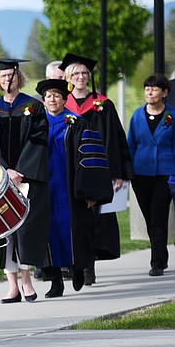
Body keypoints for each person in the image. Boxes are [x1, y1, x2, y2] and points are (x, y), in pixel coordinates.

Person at [36, 79, 113, 295]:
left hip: (71, 189)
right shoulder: (37, 124)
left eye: (57, 95)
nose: (53, 99)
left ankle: (78, 268)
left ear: (64, 99)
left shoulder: (77, 123)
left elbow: (90, 159)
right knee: (48, 232)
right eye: (49, 95)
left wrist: (89, 192)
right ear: (43, 100)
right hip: (45, 188)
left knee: (76, 230)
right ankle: (55, 280)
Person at [61, 52, 132, 285]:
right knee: (73, 219)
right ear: (69, 77)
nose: (81, 76)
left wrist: (118, 172)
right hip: (69, 171)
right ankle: (75, 264)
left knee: (93, 220)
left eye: (84, 73)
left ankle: (88, 265)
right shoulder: (63, 105)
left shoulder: (103, 105)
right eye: (76, 73)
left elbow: (116, 138)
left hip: (97, 171)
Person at [0, 58, 48, 303]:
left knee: (25, 228)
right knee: (4, 228)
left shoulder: (33, 106)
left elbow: (38, 141)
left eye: (10, 75)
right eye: (2, 76)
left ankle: (27, 281)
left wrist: (20, 169)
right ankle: (11, 286)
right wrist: (4, 169)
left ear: (18, 78)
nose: (6, 79)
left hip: (27, 178)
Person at [126, 74, 175, 277]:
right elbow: (131, 144)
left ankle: (157, 262)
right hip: (141, 174)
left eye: (154, 89)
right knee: (149, 218)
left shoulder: (172, 115)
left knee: (158, 217)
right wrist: (127, 172)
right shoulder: (137, 116)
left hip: (165, 173)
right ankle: (159, 256)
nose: (150, 92)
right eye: (147, 88)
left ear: (164, 93)